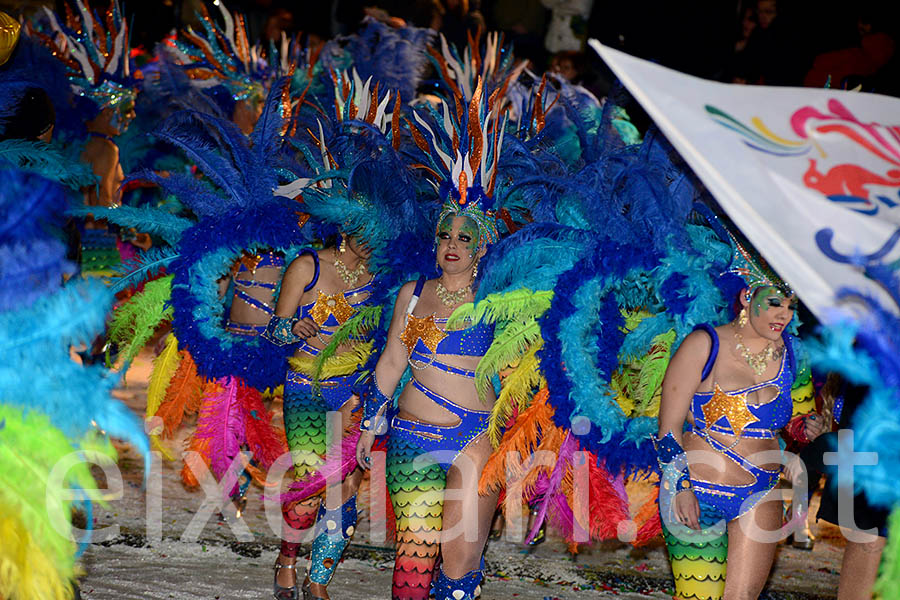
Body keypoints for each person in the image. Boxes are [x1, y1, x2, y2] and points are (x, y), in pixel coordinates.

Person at [357, 208, 497, 600]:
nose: (451, 245)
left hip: (477, 441)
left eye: (464, 238)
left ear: (482, 247)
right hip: (412, 437)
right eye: (444, 236)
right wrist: (370, 425)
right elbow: (391, 361)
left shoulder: (498, 299)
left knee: (459, 565)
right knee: (416, 553)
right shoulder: (413, 293)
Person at [656, 240, 806, 600]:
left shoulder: (793, 355)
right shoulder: (703, 344)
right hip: (698, 490)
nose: (783, 314)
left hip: (762, 491)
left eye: (790, 305)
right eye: (773, 302)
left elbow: (801, 417)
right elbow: (667, 430)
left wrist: (806, 432)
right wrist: (681, 488)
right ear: (745, 297)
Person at [265, 233, 375, 600]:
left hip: (354, 391)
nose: (372, 240)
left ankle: (318, 581)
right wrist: (291, 327)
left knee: (344, 486)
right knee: (311, 485)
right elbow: (274, 329)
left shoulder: (383, 273)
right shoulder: (307, 266)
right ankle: (287, 558)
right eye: (365, 229)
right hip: (307, 385)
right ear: (346, 223)